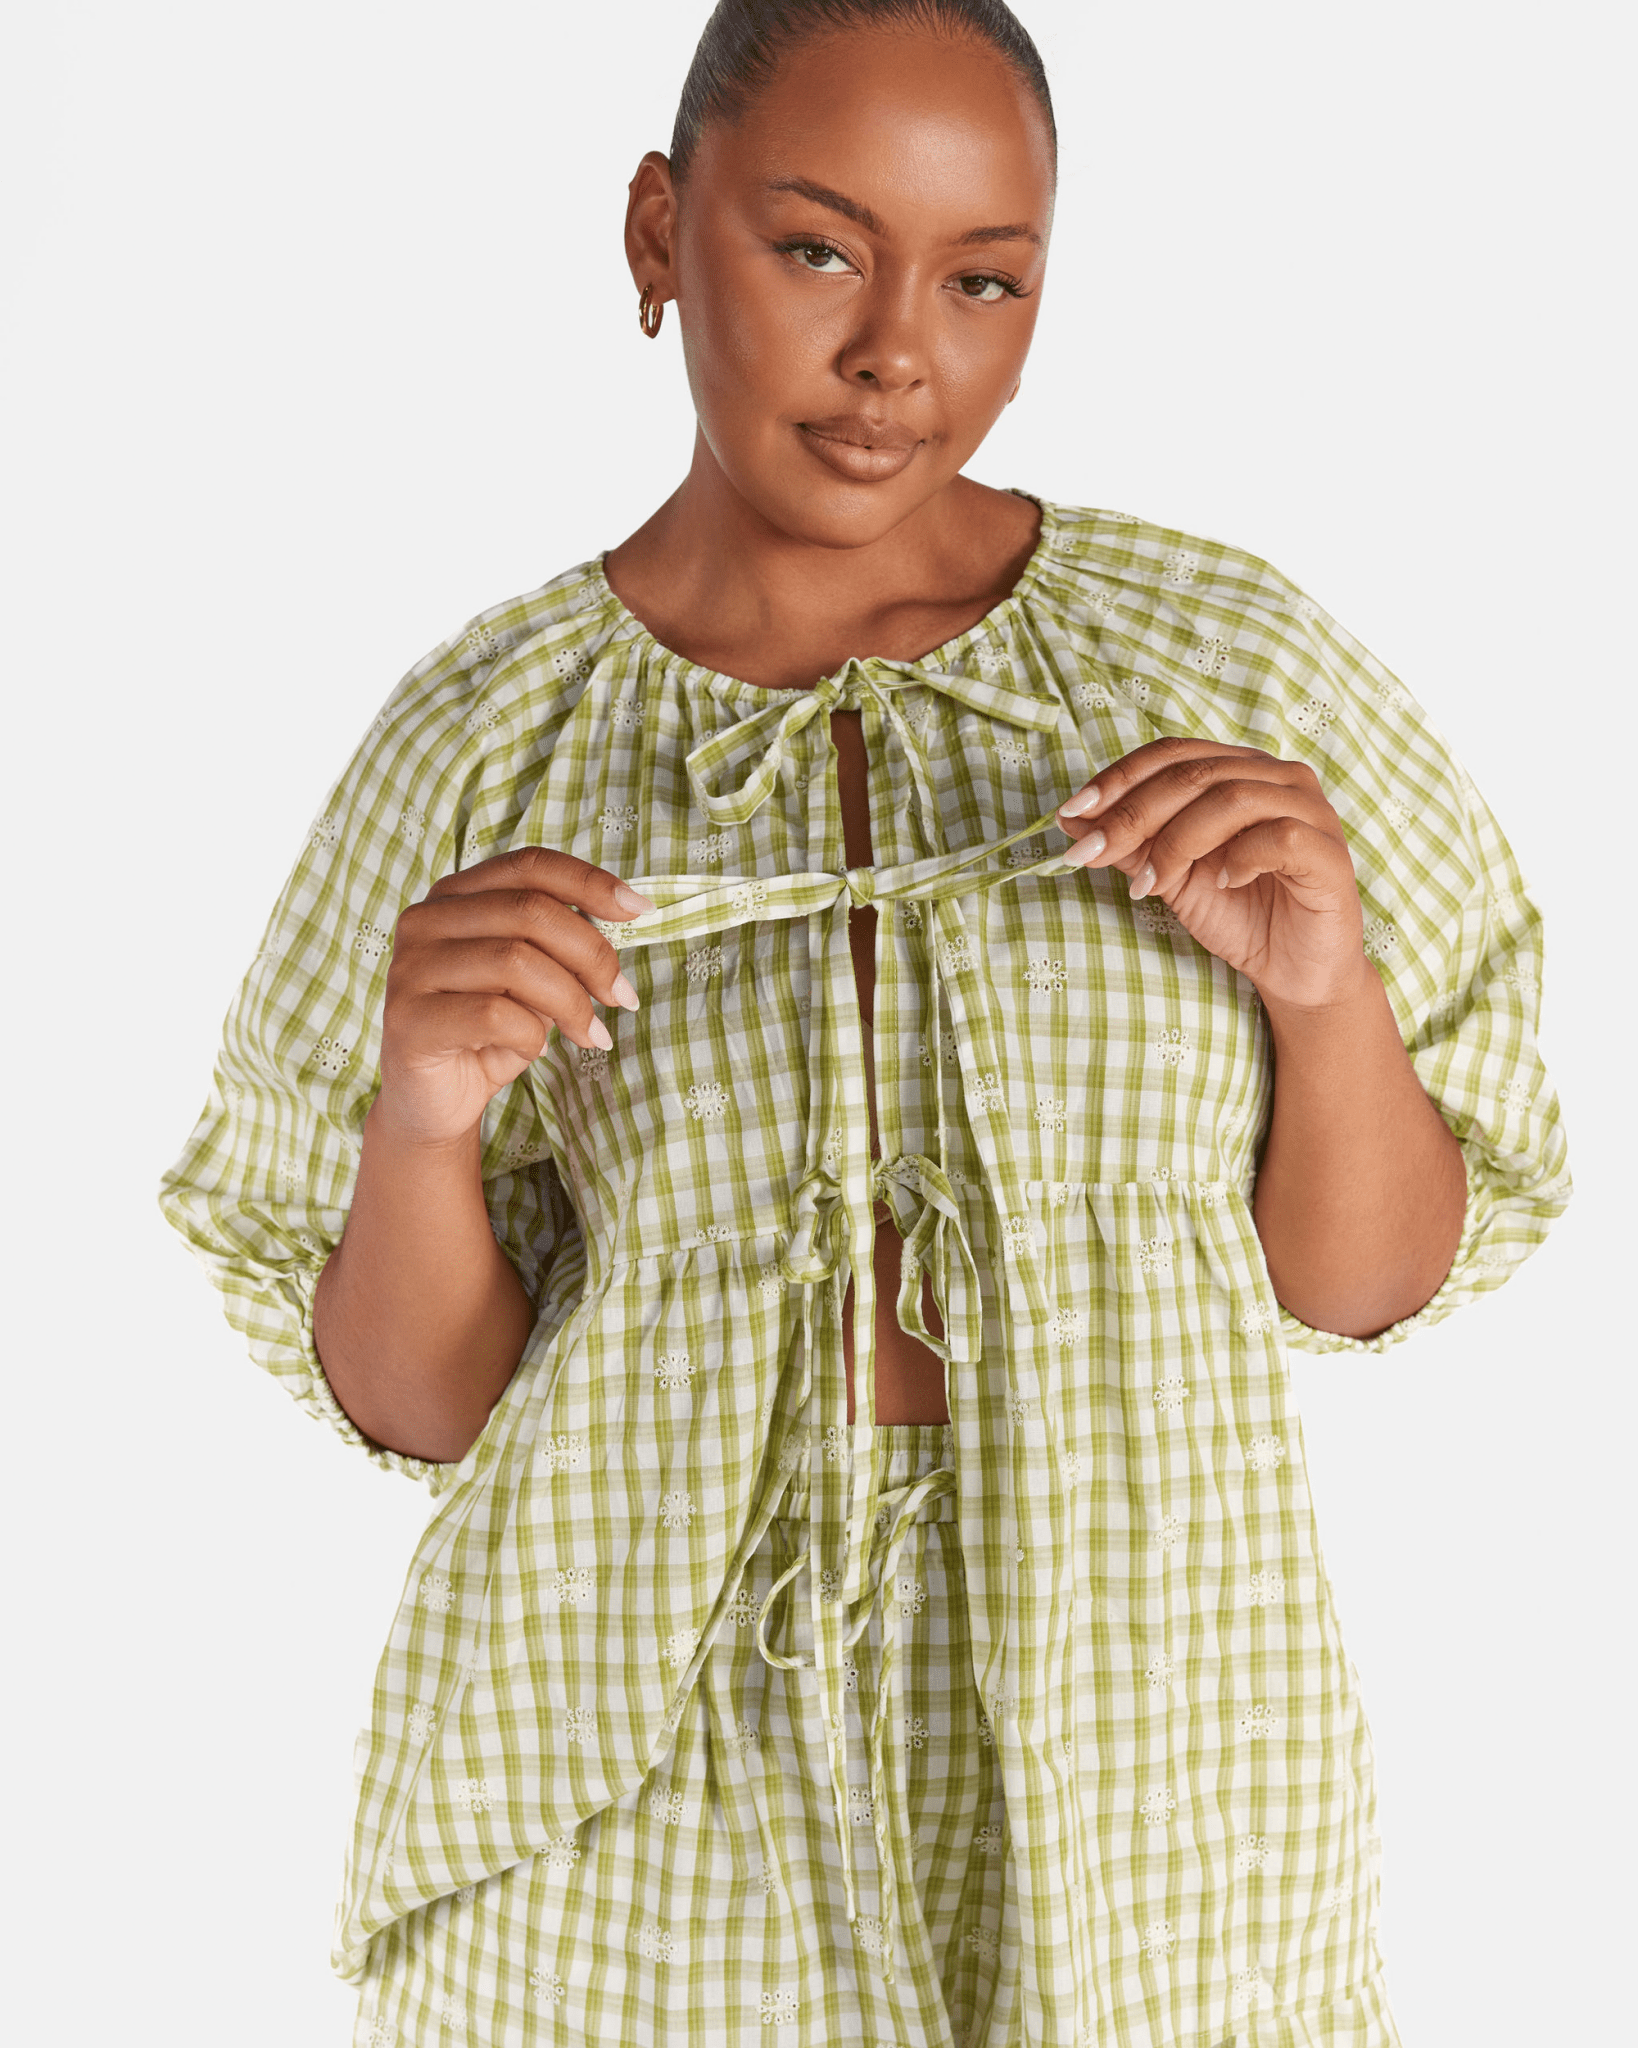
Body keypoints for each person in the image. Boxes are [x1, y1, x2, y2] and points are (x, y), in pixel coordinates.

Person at [157, 3, 1570, 2043]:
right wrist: (424, 1119)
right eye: (817, 248)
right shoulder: (485, 738)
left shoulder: (1225, 665)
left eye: (983, 280)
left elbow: (1372, 1288)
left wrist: (1324, 993)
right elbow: (420, 1410)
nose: (899, 349)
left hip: (1151, 1779)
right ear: (661, 232)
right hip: (632, 1817)